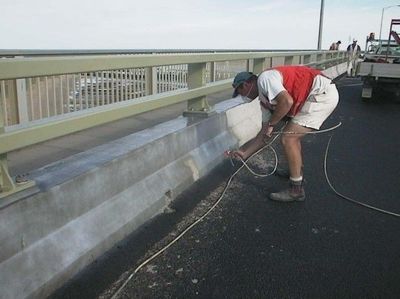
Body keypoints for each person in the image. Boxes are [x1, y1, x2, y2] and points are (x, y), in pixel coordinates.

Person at [227, 66, 339, 202]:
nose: (242, 96)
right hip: (316, 95)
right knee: (292, 137)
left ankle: (296, 190)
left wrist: (272, 124)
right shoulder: (264, 101)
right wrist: (244, 153)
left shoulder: (264, 79)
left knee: (288, 138)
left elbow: (286, 101)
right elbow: (264, 134)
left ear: (246, 85)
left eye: (240, 92)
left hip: (321, 94)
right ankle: (295, 172)